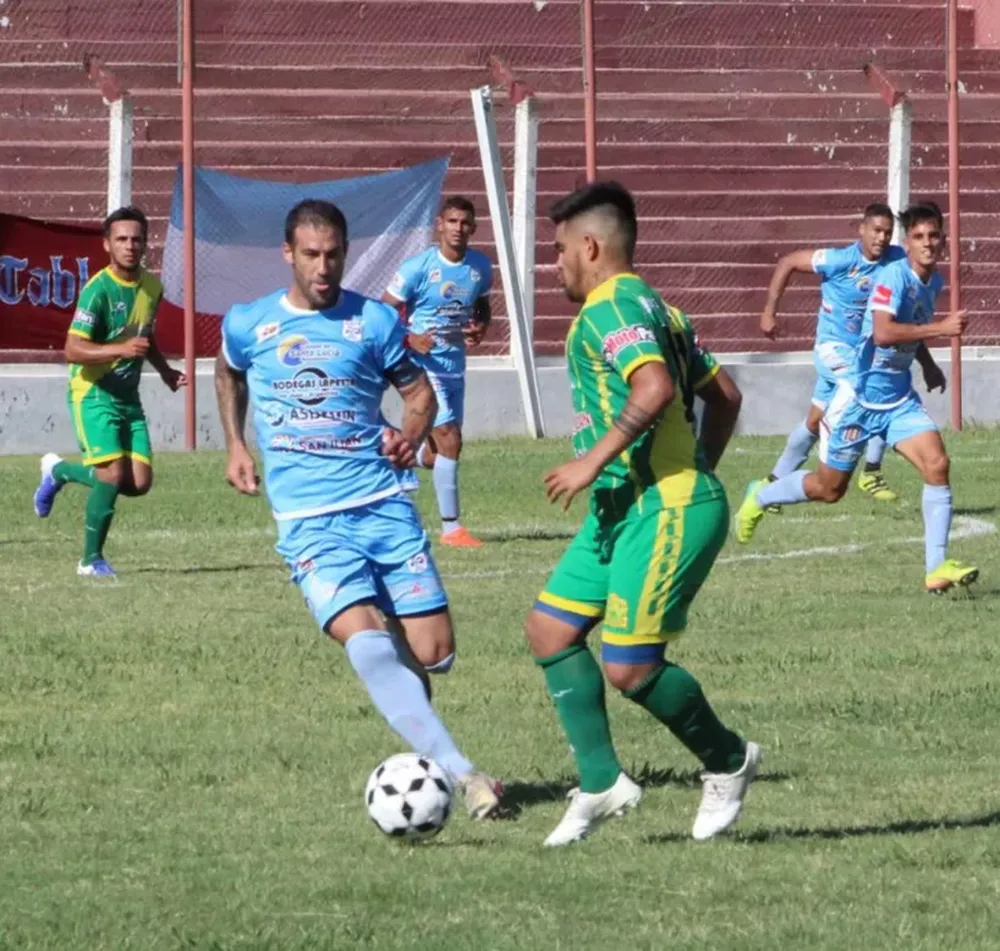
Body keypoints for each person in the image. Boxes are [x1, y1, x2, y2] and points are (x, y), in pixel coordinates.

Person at [214, 198, 501, 817]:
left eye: (334, 254)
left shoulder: (372, 323)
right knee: (366, 644)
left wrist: (412, 433)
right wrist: (237, 442)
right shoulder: (249, 322)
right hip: (308, 522)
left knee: (434, 655)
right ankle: (464, 775)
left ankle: (409, 691)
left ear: (347, 253)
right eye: (311, 255)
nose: (324, 267)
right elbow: (228, 371)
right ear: (288, 254)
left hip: (382, 506)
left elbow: (418, 392)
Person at [522, 181, 759, 847]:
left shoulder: (609, 306)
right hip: (623, 509)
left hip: (662, 507)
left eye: (560, 249)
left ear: (591, 246)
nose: (557, 262)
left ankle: (728, 759)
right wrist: (701, 465)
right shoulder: (662, 309)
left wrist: (592, 460)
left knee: (628, 666)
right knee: (550, 630)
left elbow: (653, 387)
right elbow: (728, 395)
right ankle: (601, 780)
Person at [736, 201, 978, 595]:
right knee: (829, 490)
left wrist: (929, 363)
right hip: (858, 396)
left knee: (937, 463)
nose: (927, 243)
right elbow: (883, 333)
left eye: (934, 236)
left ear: (944, 241)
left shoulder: (932, 282)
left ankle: (936, 567)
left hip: (898, 398)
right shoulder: (891, 278)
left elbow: (911, 326)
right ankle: (760, 495)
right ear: (908, 242)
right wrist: (942, 329)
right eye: (918, 237)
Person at [33, 205, 186, 578]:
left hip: (128, 397)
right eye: (121, 239)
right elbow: (72, 349)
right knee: (111, 475)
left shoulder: (152, 287)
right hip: (93, 391)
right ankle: (90, 560)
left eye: (136, 239)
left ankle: (60, 472)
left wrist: (165, 371)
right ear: (107, 245)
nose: (130, 246)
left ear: (146, 244)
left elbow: (142, 337)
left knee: (138, 483)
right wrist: (119, 350)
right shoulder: (97, 291)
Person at [759, 203, 906, 503]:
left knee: (813, 421)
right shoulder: (839, 259)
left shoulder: (896, 260)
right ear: (861, 230)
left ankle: (771, 484)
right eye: (876, 231)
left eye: (888, 233)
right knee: (869, 388)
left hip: (864, 352)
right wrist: (769, 311)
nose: (881, 238)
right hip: (832, 348)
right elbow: (788, 261)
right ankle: (871, 471)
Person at [382, 196, 492, 548]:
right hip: (422, 368)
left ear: (473, 228)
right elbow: (381, 313)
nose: (458, 229)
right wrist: (410, 338)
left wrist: (480, 327)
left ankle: (395, 453)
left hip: (454, 367)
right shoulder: (418, 268)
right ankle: (451, 529)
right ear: (439, 225)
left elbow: (482, 304)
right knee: (450, 438)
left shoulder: (479, 267)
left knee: (436, 455)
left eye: (465, 223)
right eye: (452, 221)